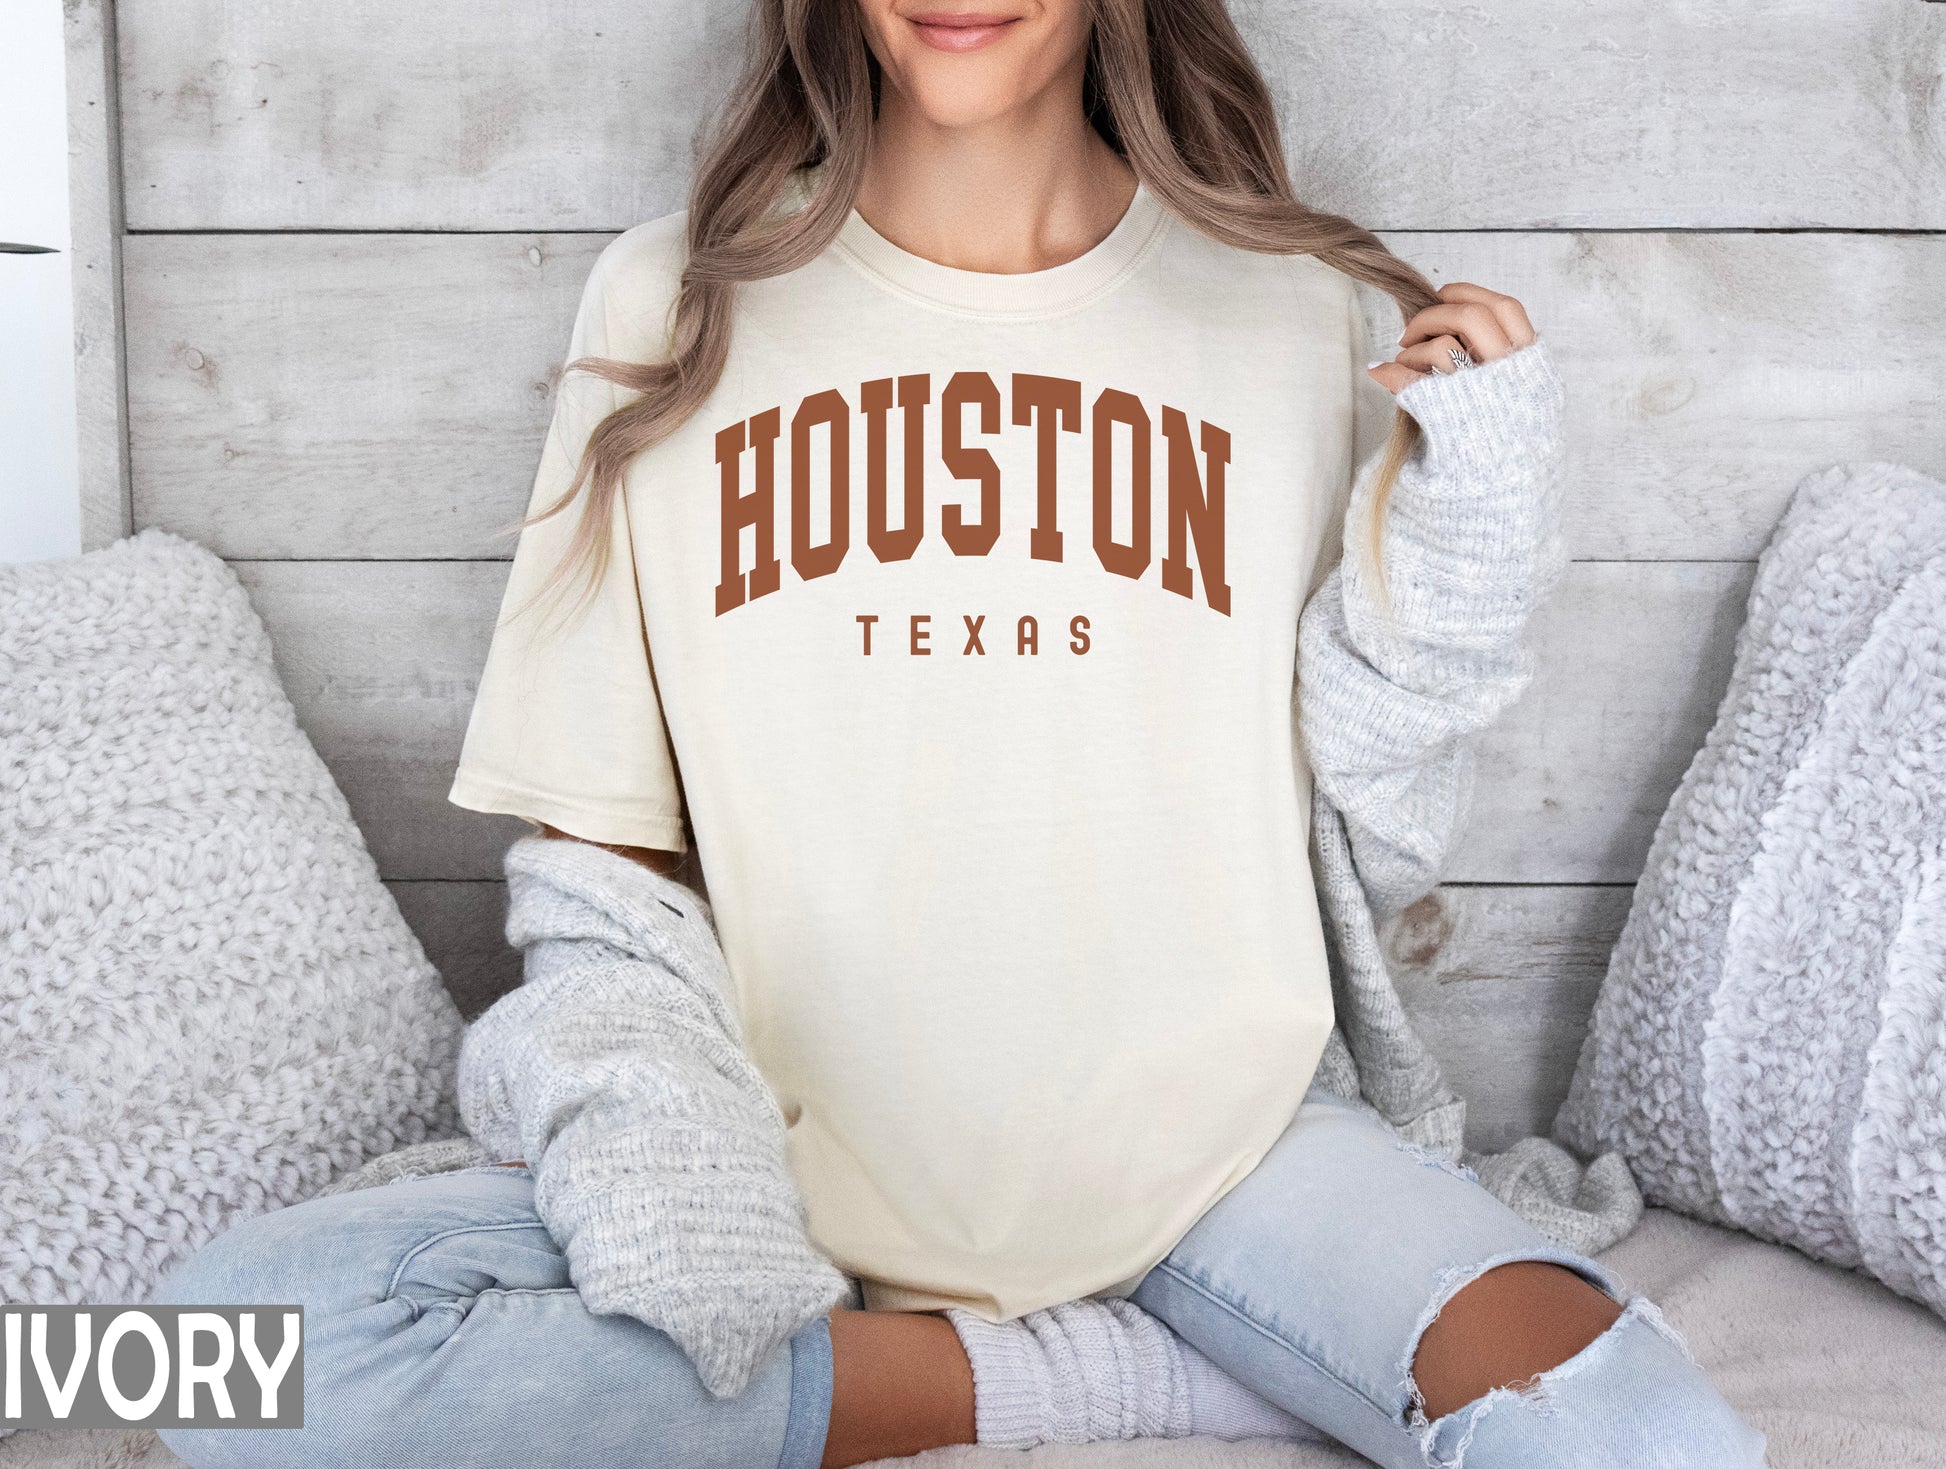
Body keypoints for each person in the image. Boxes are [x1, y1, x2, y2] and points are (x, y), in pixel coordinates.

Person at [155, 2, 1770, 1466]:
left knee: (1645, 1439)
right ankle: (1108, 1372)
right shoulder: (673, 301)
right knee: (172, 1366)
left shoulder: (1303, 309)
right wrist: (661, 1166)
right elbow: (598, 848)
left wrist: (1474, 548)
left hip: (1224, 1163)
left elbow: (1375, 796)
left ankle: (1099, 1342)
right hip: (777, 1165)